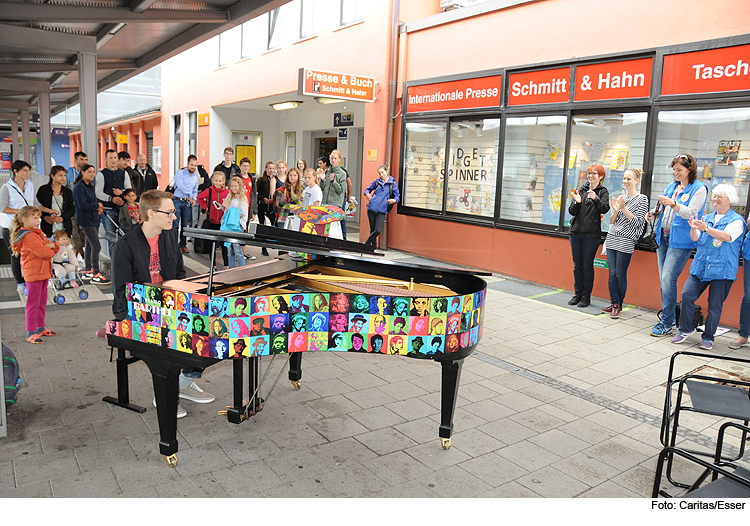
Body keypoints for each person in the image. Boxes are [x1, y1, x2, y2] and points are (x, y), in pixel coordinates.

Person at [111, 189, 215, 416]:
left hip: (169, 304)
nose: (174, 217)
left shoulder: (168, 236)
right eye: (169, 213)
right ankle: (165, 394)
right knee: (171, 336)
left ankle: (185, 381)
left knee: (207, 326)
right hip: (139, 310)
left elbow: (179, 273)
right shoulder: (125, 245)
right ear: (150, 213)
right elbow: (121, 292)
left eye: (173, 212)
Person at [670, 185, 745, 350]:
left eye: (720, 197)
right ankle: (685, 329)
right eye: (715, 196)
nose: (715, 199)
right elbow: (697, 239)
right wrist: (693, 229)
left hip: (722, 270)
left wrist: (705, 228)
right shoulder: (708, 217)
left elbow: (726, 236)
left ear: (730, 200)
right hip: (701, 265)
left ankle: (708, 338)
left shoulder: (737, 220)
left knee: (714, 305)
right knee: (687, 295)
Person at [648, 154, 708, 337]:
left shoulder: (699, 189)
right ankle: (669, 319)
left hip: (681, 241)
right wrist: (653, 212)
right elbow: (664, 207)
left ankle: (667, 322)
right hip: (664, 237)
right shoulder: (672, 186)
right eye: (674, 169)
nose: (676, 173)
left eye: (679, 170)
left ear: (690, 169)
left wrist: (673, 203)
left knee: (667, 279)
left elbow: (690, 212)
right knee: (664, 281)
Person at [1, 160, 58, 294]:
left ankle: (31, 280)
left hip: (30, 227)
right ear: (16, 171)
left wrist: (48, 210)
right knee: (16, 255)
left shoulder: (30, 185)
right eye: (25, 170)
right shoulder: (7, 187)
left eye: (28, 171)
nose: (28, 173)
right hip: (12, 227)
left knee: (32, 254)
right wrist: (21, 212)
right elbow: (2, 207)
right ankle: (20, 282)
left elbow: (34, 203)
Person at [602, 169, 649, 319]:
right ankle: (614, 302)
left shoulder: (642, 199)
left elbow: (637, 222)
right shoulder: (620, 197)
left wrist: (623, 208)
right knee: (611, 273)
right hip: (612, 238)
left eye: (629, 179)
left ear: (636, 181)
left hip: (626, 240)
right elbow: (612, 221)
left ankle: (618, 305)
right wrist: (615, 210)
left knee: (619, 274)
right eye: (624, 178)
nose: (626, 181)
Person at [11, 206, 59, 344]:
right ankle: (31, 331)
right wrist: (50, 248)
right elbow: (46, 253)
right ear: (24, 219)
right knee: (33, 303)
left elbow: (54, 246)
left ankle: (40, 328)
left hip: (42, 272)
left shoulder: (37, 233)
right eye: (34, 218)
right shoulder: (28, 236)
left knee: (42, 302)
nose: (38, 220)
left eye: (38, 217)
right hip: (34, 273)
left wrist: (51, 247)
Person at [567, 164, 610, 309]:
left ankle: (586, 296)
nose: (591, 176)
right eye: (589, 173)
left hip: (592, 234)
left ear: (601, 176)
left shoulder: (603, 191)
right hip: (576, 232)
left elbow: (605, 208)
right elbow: (572, 211)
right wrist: (577, 203)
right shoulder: (580, 189)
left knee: (587, 265)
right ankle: (577, 294)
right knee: (577, 265)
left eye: (594, 174)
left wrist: (596, 199)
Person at [73, 164, 110, 285]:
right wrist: (97, 206)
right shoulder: (79, 187)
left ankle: (88, 269)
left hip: (94, 218)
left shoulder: (90, 185)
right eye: (89, 172)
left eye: (93, 172)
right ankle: (96, 273)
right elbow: (82, 205)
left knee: (89, 245)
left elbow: (94, 200)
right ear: (82, 173)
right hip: (86, 220)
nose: (92, 174)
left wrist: (98, 206)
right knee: (96, 245)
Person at [96, 149, 132, 257]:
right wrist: (111, 198)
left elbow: (129, 189)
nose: (113, 160)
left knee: (124, 237)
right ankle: (113, 263)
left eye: (115, 157)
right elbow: (98, 192)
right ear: (106, 159)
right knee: (112, 239)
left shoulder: (124, 173)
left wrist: (122, 192)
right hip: (108, 211)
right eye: (110, 158)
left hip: (123, 210)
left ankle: (124, 262)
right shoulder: (101, 174)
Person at [197, 171, 230, 269]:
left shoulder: (227, 192)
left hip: (223, 223)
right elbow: (199, 197)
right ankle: (213, 266)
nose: (218, 183)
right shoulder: (209, 191)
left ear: (224, 181)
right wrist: (206, 206)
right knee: (212, 245)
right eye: (216, 180)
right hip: (211, 221)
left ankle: (226, 265)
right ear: (212, 180)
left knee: (224, 245)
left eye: (220, 181)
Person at [363, 165, 400, 246]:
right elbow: (367, 190)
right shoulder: (376, 182)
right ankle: (373, 247)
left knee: (377, 230)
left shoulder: (392, 183)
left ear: (386, 171)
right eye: (380, 173)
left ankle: (367, 243)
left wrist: (394, 200)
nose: (381, 175)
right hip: (371, 208)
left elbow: (397, 196)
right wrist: (367, 194)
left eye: (383, 172)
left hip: (382, 210)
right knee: (372, 229)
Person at [37, 165, 75, 240]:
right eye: (60, 175)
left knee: (64, 249)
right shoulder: (43, 190)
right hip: (48, 226)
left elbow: (72, 209)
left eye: (64, 175)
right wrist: (44, 217)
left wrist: (62, 218)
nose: (63, 178)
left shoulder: (67, 192)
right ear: (52, 176)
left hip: (64, 228)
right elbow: (37, 206)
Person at [172, 154, 200, 253]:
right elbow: (181, 186)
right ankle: (174, 246)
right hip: (177, 200)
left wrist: (194, 199)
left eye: (195, 165)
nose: (193, 167)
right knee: (175, 224)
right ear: (187, 164)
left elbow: (195, 190)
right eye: (191, 165)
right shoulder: (180, 173)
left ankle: (182, 245)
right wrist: (190, 195)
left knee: (184, 225)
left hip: (187, 203)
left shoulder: (195, 178)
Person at [221, 176, 249, 268]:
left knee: (237, 249)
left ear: (240, 186)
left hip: (237, 226)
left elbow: (242, 214)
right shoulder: (229, 196)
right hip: (228, 225)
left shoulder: (243, 199)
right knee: (229, 250)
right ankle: (231, 269)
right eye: (232, 186)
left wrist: (229, 208)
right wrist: (222, 206)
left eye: (236, 186)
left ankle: (242, 269)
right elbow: (225, 209)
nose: (233, 188)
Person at [237, 157, 257, 259]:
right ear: (240, 166)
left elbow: (254, 195)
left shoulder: (251, 179)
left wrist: (253, 211)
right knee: (238, 230)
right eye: (244, 165)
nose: (246, 168)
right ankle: (239, 252)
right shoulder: (237, 178)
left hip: (248, 209)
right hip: (238, 208)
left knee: (245, 230)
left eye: (247, 166)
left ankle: (243, 251)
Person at [255, 161, 276, 256]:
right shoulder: (261, 180)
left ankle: (272, 240)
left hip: (271, 207)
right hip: (262, 207)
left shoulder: (275, 180)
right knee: (262, 226)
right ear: (266, 169)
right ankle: (264, 248)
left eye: (273, 168)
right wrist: (263, 198)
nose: (271, 170)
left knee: (274, 224)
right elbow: (256, 193)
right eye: (269, 168)